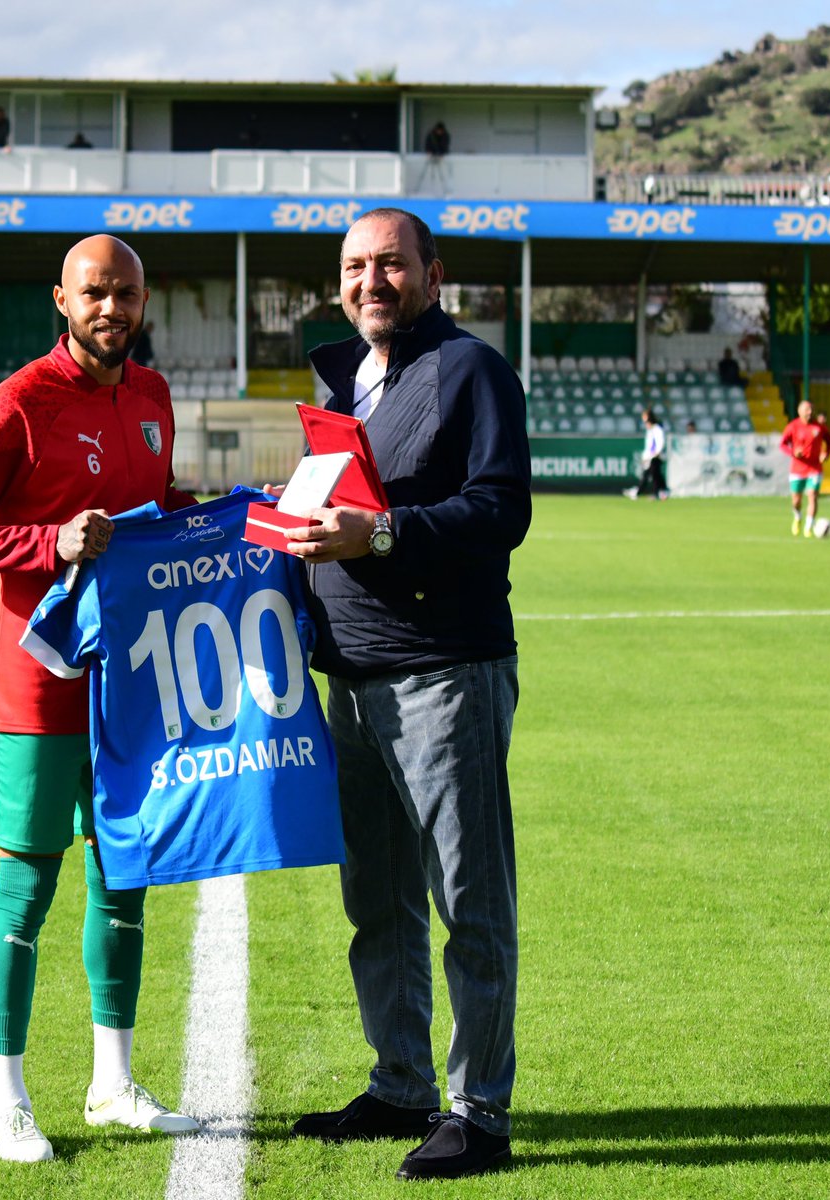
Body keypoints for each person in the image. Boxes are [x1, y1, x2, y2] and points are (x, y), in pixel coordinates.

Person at [0, 235, 201, 1164]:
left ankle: (113, 1083)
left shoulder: (154, 397)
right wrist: (50, 543)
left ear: (144, 302)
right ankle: (7, 1101)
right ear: (61, 301)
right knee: (27, 887)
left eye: (124, 293)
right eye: (93, 294)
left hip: (132, 686)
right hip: (40, 689)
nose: (109, 308)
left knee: (124, 883)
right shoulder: (18, 406)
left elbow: (150, 511)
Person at [281, 208, 531, 1181]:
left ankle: (481, 1111)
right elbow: (334, 512)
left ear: (433, 273)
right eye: (354, 266)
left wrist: (375, 538)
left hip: (443, 673)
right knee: (377, 902)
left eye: (390, 263)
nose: (370, 280)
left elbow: (500, 507)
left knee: (468, 898)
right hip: (350, 678)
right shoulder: (352, 380)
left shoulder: (470, 370)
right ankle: (400, 1087)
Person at [779, 398, 830, 536]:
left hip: (815, 469)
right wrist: (793, 453)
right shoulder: (793, 426)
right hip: (797, 469)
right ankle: (797, 517)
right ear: (799, 411)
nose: (810, 412)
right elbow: (782, 444)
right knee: (796, 500)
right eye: (807, 409)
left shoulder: (819, 427)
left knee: (812, 496)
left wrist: (826, 453)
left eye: (811, 409)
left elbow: (829, 441)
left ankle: (808, 527)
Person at [623, 408, 668, 500]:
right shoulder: (650, 431)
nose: (645, 423)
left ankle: (655, 493)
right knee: (654, 475)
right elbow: (649, 446)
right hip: (650, 457)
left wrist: (656, 453)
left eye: (645, 420)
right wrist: (645, 456)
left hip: (656, 456)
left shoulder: (657, 429)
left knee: (654, 475)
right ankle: (661, 492)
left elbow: (660, 443)